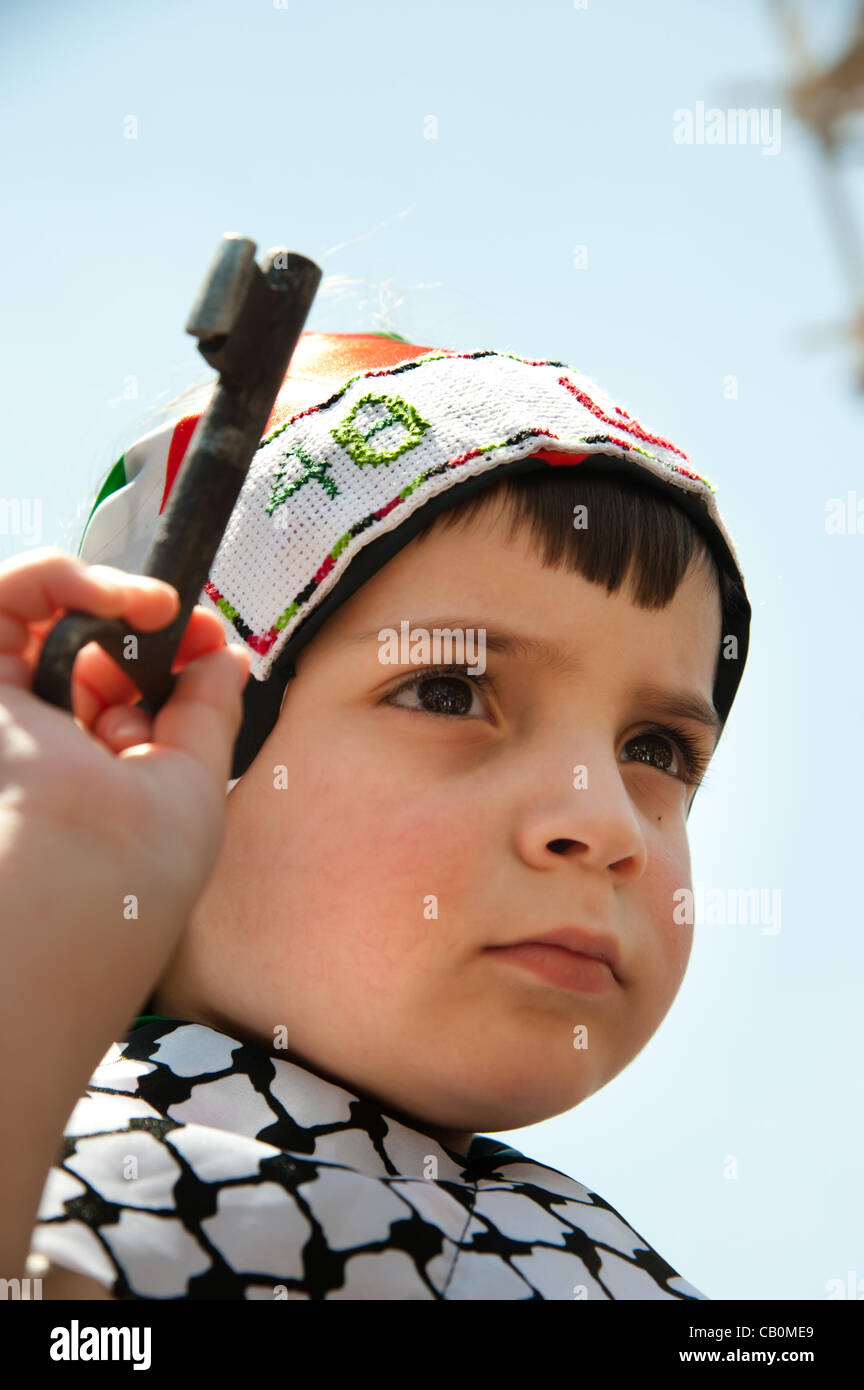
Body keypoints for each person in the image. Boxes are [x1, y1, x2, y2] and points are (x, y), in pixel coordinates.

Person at [3, 330, 751, 1299]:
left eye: (654, 750)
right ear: (158, 762)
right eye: (447, 692)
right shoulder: (94, 1188)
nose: (602, 821)